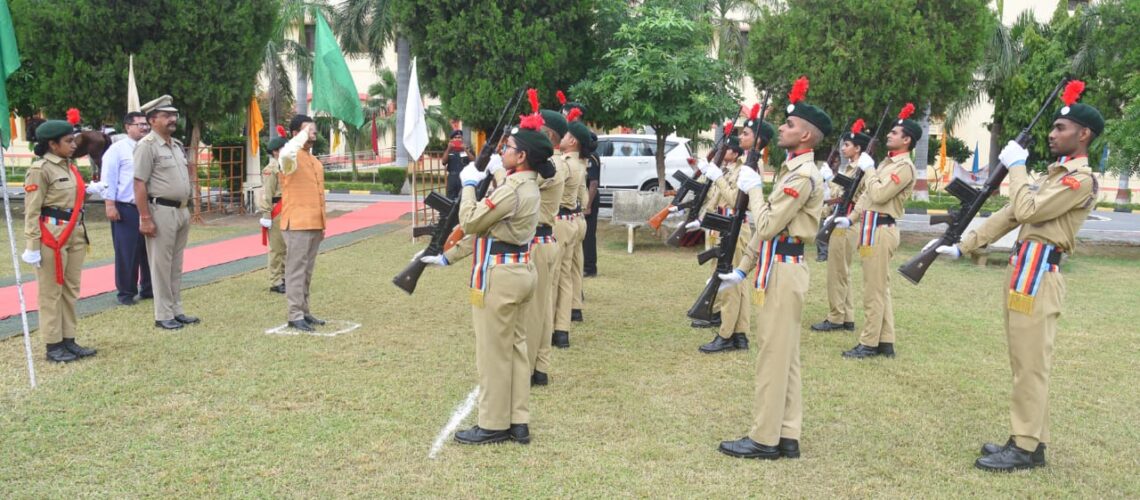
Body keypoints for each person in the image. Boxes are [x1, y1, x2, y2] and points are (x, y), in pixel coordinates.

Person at [931, 82, 1102, 472]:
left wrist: (1018, 167)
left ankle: (1024, 448)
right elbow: (1009, 213)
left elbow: (1025, 210)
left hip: (1041, 274)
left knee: (1031, 364)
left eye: (1060, 128)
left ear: (1083, 134)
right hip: (1024, 269)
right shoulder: (1051, 176)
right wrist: (966, 244)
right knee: (1022, 361)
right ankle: (1030, 439)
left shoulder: (1080, 181)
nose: (1052, 134)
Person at [417, 90, 549, 445]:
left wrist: (471, 187)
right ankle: (519, 419)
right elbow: (491, 233)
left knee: (492, 353)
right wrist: (447, 256)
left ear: (521, 157)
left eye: (508, 148)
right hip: (521, 272)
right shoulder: (528, 186)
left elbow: (474, 223)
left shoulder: (511, 190)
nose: (503, 151)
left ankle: (492, 423)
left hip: (500, 278)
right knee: (518, 348)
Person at [716, 77, 828, 460]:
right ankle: (787, 433)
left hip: (783, 268)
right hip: (778, 263)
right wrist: (743, 270)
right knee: (786, 356)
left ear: (807, 137)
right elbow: (767, 235)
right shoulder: (792, 170)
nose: (782, 127)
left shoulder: (800, 175)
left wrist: (754, 190)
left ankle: (764, 438)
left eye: (790, 125)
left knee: (772, 355)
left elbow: (765, 226)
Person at [834, 104, 919, 359]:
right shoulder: (886, 164)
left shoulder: (904, 167)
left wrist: (869, 169)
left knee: (874, 290)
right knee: (880, 288)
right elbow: (867, 198)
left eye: (895, 133)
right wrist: (850, 218)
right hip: (871, 226)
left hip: (882, 228)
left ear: (907, 140)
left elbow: (880, 193)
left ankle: (868, 343)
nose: (889, 136)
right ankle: (885, 341)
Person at [22, 119, 104, 362]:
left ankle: (69, 339)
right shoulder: (41, 169)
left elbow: (71, 200)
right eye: (68, 141)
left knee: (70, 289)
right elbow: (32, 211)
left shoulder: (70, 167)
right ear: (52, 144)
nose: (73, 145)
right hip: (52, 236)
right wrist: (32, 245)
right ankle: (53, 344)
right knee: (50, 292)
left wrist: (92, 191)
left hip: (75, 232)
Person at [694, 111, 776, 354]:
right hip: (731, 226)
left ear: (758, 140)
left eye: (747, 133)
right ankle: (739, 333)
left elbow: (734, 200)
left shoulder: (751, 166)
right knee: (736, 284)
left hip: (737, 228)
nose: (742, 136)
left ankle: (727, 334)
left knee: (730, 281)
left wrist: (718, 177)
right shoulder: (743, 164)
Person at [133, 95, 199, 330]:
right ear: (152, 120)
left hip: (180, 211)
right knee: (160, 264)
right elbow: (139, 183)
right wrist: (145, 218)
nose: (173, 119)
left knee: (175, 264)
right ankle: (163, 314)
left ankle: (176, 309)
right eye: (166, 115)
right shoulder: (147, 146)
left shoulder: (176, 145)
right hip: (160, 210)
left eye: (174, 115)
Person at [516, 109, 566, 386]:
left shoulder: (550, 167)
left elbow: (516, 185)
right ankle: (540, 366)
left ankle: (531, 367)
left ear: (547, 135)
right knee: (543, 308)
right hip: (543, 240)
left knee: (535, 312)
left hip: (537, 241)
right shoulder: (550, 163)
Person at [811, 119, 871, 333]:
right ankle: (847, 316)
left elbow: (863, 196)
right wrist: (830, 181)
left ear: (858, 148)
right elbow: (838, 194)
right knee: (841, 272)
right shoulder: (850, 168)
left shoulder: (862, 170)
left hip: (848, 222)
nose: (843, 148)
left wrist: (851, 217)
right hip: (840, 219)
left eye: (847, 145)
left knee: (837, 272)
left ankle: (836, 317)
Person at [277, 116, 328, 332]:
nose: (313, 132)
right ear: (295, 133)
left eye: (313, 129)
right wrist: (301, 136)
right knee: (296, 270)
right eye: (308, 129)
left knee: (307, 271)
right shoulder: (290, 157)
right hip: (297, 222)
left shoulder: (314, 160)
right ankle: (294, 314)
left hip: (315, 222)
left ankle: (304, 311)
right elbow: (286, 153)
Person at [100, 111, 152, 306]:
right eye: (139, 124)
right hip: (126, 208)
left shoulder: (150, 147)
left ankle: (149, 288)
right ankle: (126, 293)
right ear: (128, 127)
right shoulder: (117, 150)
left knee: (149, 250)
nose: (144, 127)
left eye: (146, 124)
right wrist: (110, 204)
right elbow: (109, 179)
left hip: (149, 206)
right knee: (127, 252)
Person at [551, 110, 590, 347]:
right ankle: (563, 330)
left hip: (560, 222)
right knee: (566, 276)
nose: (562, 137)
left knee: (554, 279)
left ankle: (552, 328)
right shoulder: (579, 164)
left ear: (573, 141)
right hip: (574, 220)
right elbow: (583, 200)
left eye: (566, 135)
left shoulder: (564, 164)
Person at [259, 126, 289, 294]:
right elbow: (266, 194)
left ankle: (283, 277)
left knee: (285, 248)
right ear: (276, 151)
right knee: (276, 248)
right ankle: (275, 281)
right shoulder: (271, 170)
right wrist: (266, 214)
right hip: (276, 210)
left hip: (287, 208)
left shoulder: (285, 166)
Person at [582, 132, 601, 277]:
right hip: (585, 197)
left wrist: (588, 205)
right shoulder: (584, 156)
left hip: (590, 198)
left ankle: (589, 268)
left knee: (588, 235)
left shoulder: (591, 157)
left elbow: (593, 183)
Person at [444, 130, 473, 199]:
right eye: (455, 137)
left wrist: (465, 149)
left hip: (464, 178)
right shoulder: (449, 150)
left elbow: (474, 161)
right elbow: (443, 162)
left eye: (459, 137)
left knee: (463, 198)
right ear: (452, 140)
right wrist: (448, 148)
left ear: (462, 139)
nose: (457, 139)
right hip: (452, 178)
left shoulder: (468, 150)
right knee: (450, 199)